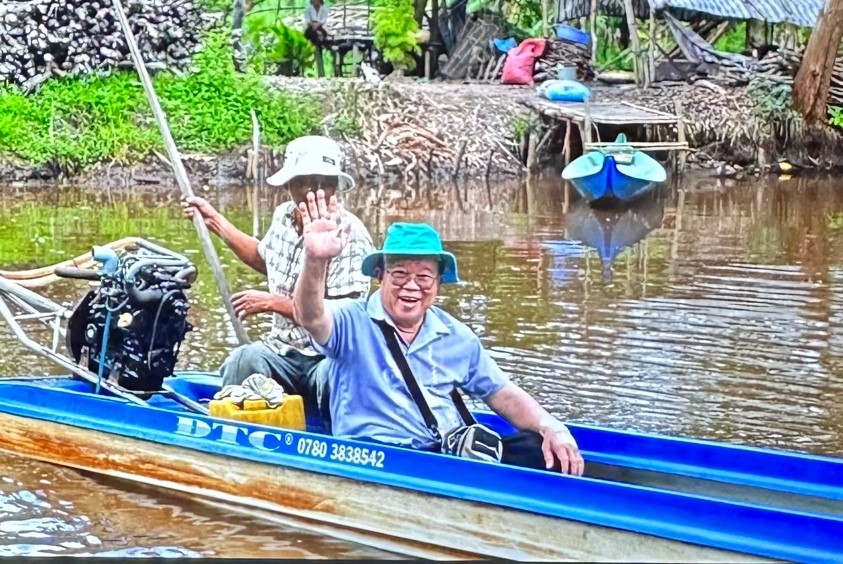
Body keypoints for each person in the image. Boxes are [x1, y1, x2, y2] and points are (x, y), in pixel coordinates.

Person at [291, 190, 585, 475]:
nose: (411, 286)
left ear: (438, 283)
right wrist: (316, 260)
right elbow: (311, 315)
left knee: (542, 449)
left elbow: (503, 394)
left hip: (442, 454)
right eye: (400, 274)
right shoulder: (351, 320)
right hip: (375, 457)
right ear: (380, 275)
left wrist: (552, 426)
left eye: (423, 277)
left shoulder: (456, 336)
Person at [181, 136, 374, 426]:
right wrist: (214, 221)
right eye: (305, 183)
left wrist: (273, 303)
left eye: (323, 184)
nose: (314, 192)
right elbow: (263, 258)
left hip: (325, 358)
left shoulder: (350, 235)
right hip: (282, 350)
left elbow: (343, 317)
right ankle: (236, 436)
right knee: (245, 359)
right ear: (289, 186)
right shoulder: (284, 216)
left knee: (337, 377)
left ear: (335, 187)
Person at [303, 0, 329, 77]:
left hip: (320, 27)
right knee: (313, 34)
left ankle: (320, 42)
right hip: (311, 28)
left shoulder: (324, 9)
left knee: (320, 34)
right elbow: (307, 20)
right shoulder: (308, 9)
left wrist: (317, 25)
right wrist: (313, 25)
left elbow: (323, 20)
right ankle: (316, 43)